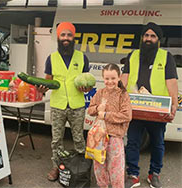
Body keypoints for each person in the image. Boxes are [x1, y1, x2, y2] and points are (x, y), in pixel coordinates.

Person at [121, 22, 178, 188]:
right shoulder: (132, 55)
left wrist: (173, 104)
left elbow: (172, 83)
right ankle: (133, 175)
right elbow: (124, 79)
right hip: (135, 108)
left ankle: (154, 174)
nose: (148, 39)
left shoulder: (166, 57)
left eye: (152, 36)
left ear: (158, 40)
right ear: (142, 38)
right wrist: (116, 99)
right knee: (132, 142)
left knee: (157, 143)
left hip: (157, 110)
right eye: (146, 35)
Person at [37, 22, 91, 181]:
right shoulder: (51, 58)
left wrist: (86, 89)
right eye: (63, 35)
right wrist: (42, 89)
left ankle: (82, 168)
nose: (66, 38)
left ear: (73, 37)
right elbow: (48, 82)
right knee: (56, 140)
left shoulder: (82, 58)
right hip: (58, 105)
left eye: (69, 35)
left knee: (79, 139)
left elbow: (86, 81)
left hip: (77, 106)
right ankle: (56, 167)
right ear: (58, 37)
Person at [88, 63, 132, 188]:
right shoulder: (99, 93)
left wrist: (106, 115)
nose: (110, 81)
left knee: (116, 167)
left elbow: (127, 116)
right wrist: (97, 108)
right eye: (107, 78)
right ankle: (102, 186)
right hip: (98, 136)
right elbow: (90, 110)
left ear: (119, 78)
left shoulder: (123, 95)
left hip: (115, 137)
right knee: (99, 165)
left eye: (113, 78)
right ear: (103, 78)